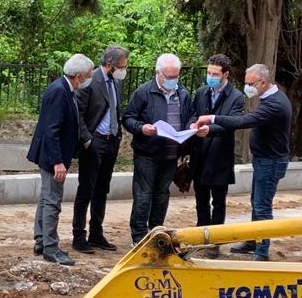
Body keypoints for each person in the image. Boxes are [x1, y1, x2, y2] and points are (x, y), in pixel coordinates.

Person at [193, 63, 291, 261]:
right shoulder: (270, 96)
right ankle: (253, 240)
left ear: (263, 82)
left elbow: (242, 122)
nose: (247, 87)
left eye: (250, 83)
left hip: (270, 161)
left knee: (262, 206)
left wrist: (211, 118)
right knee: (257, 202)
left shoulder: (274, 103)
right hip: (265, 159)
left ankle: (262, 252)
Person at [27, 53, 94, 266]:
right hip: (52, 156)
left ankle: (41, 240)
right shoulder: (59, 91)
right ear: (79, 75)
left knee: (46, 198)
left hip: (53, 153)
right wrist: (58, 161)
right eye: (88, 75)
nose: (89, 79)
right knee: (52, 201)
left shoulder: (65, 88)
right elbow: (51, 130)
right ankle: (51, 247)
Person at [123, 52, 194, 245]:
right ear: (158, 73)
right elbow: (128, 118)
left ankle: (156, 232)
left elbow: (190, 116)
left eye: (176, 76)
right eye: (169, 77)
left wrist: (191, 127)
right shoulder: (144, 92)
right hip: (148, 152)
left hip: (171, 154)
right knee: (144, 194)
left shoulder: (183, 93)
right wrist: (141, 128)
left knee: (162, 194)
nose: (173, 80)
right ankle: (138, 237)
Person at [71, 45, 129, 254]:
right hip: (94, 142)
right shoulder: (90, 81)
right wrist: (87, 140)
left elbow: (116, 109)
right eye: (122, 66)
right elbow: (77, 114)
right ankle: (79, 235)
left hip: (111, 141)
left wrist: (117, 136)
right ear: (111, 65)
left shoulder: (116, 82)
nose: (125, 69)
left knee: (102, 190)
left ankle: (97, 232)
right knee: (86, 189)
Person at [189, 54, 245, 257]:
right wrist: (192, 125)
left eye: (215, 74)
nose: (210, 76)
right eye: (208, 72)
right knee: (200, 199)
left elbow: (232, 123)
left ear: (225, 74)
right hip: (200, 153)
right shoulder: (202, 92)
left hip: (220, 155)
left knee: (218, 201)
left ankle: (215, 240)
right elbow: (194, 115)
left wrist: (210, 129)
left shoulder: (236, 96)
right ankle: (199, 235)